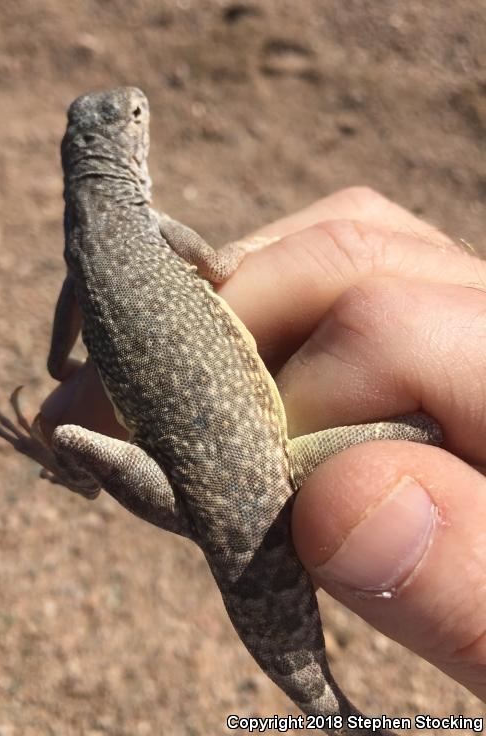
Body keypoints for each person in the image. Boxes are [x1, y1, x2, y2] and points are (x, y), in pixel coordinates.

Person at [40, 186, 486, 701]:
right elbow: (219, 263)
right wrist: (250, 248)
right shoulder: (151, 225)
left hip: (222, 486)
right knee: (426, 428)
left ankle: (67, 469)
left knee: (68, 435)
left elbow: (57, 361)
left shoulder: (82, 255)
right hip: (279, 465)